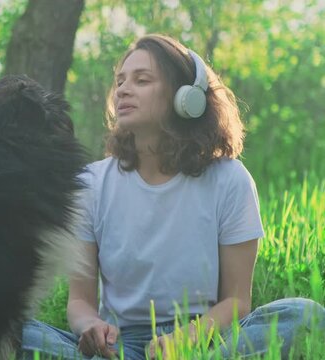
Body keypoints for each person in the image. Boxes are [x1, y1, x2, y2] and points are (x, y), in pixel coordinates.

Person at [20, 34, 325, 360]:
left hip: (205, 342)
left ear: (186, 96)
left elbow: (237, 301)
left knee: (305, 314)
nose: (122, 89)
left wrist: (186, 340)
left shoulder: (230, 180)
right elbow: (79, 301)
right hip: (119, 346)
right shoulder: (92, 183)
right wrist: (91, 326)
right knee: (10, 330)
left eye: (142, 80)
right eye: (120, 80)